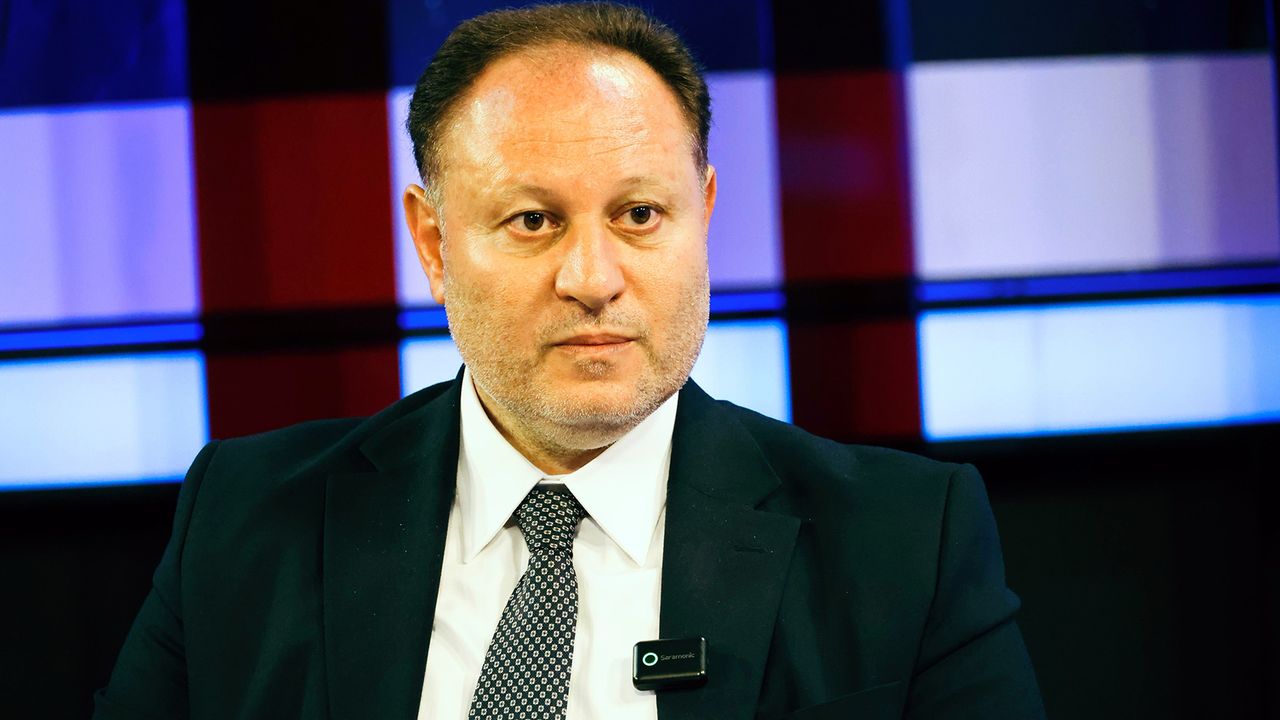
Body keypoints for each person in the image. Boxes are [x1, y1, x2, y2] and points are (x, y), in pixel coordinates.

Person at [94, 3, 1045, 719]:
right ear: (433, 244)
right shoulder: (244, 521)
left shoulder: (905, 543)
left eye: (639, 214)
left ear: (704, 215)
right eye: (532, 220)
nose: (593, 279)